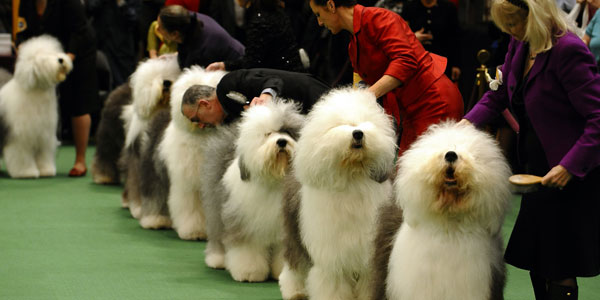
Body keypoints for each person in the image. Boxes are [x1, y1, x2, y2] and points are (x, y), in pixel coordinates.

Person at [461, 0, 600, 299]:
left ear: (536, 14)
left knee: (559, 266)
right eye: (506, 25)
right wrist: (464, 124)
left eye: (515, 23)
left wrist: (570, 166)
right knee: (538, 261)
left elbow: (598, 118)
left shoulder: (568, 51)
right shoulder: (519, 44)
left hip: (569, 176)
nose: (510, 31)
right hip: (536, 171)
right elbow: (499, 97)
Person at [308, 0, 463, 154]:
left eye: (318, 14)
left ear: (331, 5)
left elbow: (405, 61)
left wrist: (367, 96)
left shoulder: (379, 18)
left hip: (434, 100)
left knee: (426, 170)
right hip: (409, 109)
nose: (320, 22)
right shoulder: (353, 44)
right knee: (405, 170)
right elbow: (359, 84)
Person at [18, 0, 99, 177]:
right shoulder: (26, 3)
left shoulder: (69, 3)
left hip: (77, 53)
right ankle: (37, 160)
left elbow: (80, 31)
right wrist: (21, 45)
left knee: (79, 104)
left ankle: (80, 160)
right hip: (47, 59)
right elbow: (24, 29)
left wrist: (66, 58)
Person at [180, 68, 330, 127]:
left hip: (312, 97)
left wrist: (265, 96)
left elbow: (274, 80)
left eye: (196, 119)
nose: (200, 126)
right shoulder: (228, 117)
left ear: (205, 104)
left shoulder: (228, 85)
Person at [206, 0, 305, 72]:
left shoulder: (260, 20)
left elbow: (251, 63)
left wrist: (225, 65)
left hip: (282, 79)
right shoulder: (274, 10)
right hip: (290, 73)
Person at [156, 5, 245, 69]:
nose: (157, 29)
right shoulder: (185, 18)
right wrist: (174, 56)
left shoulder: (203, 50)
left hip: (239, 65)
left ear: (175, 34)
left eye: (160, 27)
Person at [401, 0, 462, 82]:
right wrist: (414, 38)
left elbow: (455, 38)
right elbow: (402, 34)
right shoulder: (410, 6)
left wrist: (456, 64)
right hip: (416, 61)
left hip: (442, 61)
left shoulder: (448, 7)